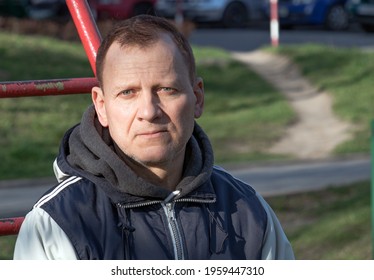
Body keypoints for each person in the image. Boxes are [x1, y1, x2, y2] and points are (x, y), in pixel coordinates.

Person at [13, 15, 294, 260]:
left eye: (166, 89)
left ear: (197, 98)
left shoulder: (249, 212)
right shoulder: (57, 225)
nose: (148, 111)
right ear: (101, 106)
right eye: (128, 92)